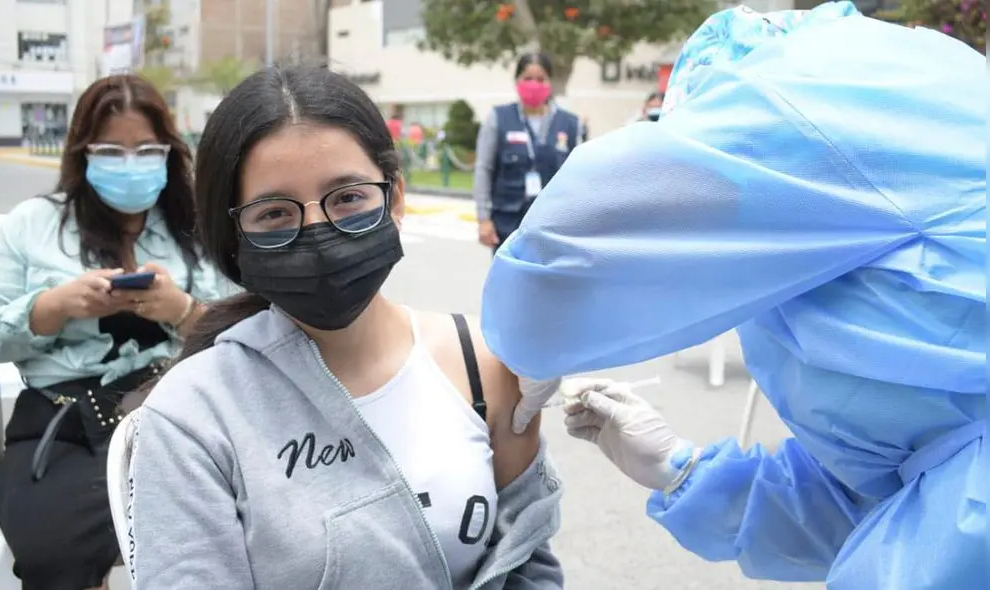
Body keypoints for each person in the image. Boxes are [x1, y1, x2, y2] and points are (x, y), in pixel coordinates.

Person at [479, 4, 986, 590]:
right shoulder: (918, 84)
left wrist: (528, 336)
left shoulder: (810, 85)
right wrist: (683, 471)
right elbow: (881, 503)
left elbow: (575, 233)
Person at [125, 64, 579, 590]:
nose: (319, 231)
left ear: (397, 199)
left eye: (347, 198)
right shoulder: (192, 414)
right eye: (275, 213)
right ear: (233, 237)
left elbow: (526, 566)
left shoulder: (484, 361)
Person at [0, 74, 222, 590]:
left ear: (167, 152)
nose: (130, 163)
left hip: (172, 413)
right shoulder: (31, 226)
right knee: (54, 550)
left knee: (209, 532)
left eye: (144, 149)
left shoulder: (196, 231)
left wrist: (180, 309)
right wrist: (52, 307)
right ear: (83, 153)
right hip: (61, 421)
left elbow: (245, 332)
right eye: (111, 150)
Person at [472, 52, 584, 251]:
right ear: (517, 81)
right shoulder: (498, 118)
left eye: (541, 79)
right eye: (528, 78)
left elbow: (580, 177)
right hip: (507, 222)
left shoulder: (570, 124)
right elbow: (484, 169)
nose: (534, 84)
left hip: (555, 225)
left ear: (550, 83)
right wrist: (483, 219)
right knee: (509, 281)